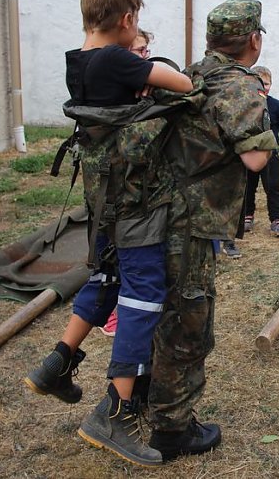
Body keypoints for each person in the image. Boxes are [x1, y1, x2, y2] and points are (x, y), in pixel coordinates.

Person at [24, 0, 193, 467]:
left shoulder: (77, 61)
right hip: (136, 196)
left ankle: (57, 362)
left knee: (106, 274)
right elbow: (182, 84)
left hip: (104, 198)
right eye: (136, 22)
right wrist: (151, 68)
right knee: (142, 293)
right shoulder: (118, 59)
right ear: (126, 21)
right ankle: (114, 413)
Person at [147, 0, 276, 461]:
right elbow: (255, 158)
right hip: (191, 220)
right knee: (189, 322)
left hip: (157, 211)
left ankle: (149, 401)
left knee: (163, 310)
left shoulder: (192, 72)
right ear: (254, 40)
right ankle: (171, 429)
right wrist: (268, 124)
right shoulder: (240, 87)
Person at [100, 27, 159, 338]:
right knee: (119, 258)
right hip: (118, 192)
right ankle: (115, 312)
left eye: (146, 52)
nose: (144, 60)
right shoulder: (114, 93)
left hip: (136, 193)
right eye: (139, 53)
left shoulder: (142, 92)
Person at [243, 65, 279, 237]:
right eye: (259, 83)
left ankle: (276, 220)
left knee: (272, 186)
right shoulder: (245, 105)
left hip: (270, 152)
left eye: (267, 83)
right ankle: (247, 215)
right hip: (250, 151)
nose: (264, 87)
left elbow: (278, 125)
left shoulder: (276, 106)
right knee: (248, 185)